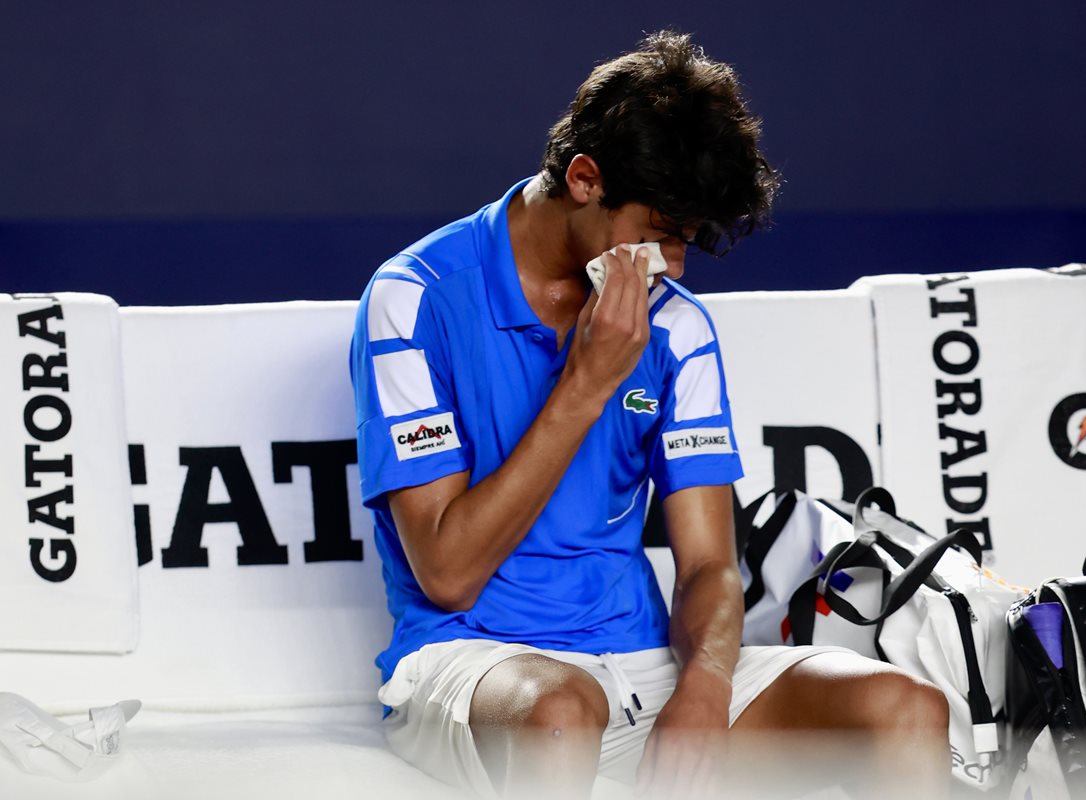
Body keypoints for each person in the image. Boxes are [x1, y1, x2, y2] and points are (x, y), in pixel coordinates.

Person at [350, 30, 949, 799]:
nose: (672, 264)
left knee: (906, 709)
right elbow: (447, 574)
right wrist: (587, 383)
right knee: (561, 714)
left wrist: (705, 684)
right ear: (585, 178)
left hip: (640, 661)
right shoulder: (412, 299)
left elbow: (706, 565)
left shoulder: (679, 325)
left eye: (687, 241)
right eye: (659, 234)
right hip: (471, 658)